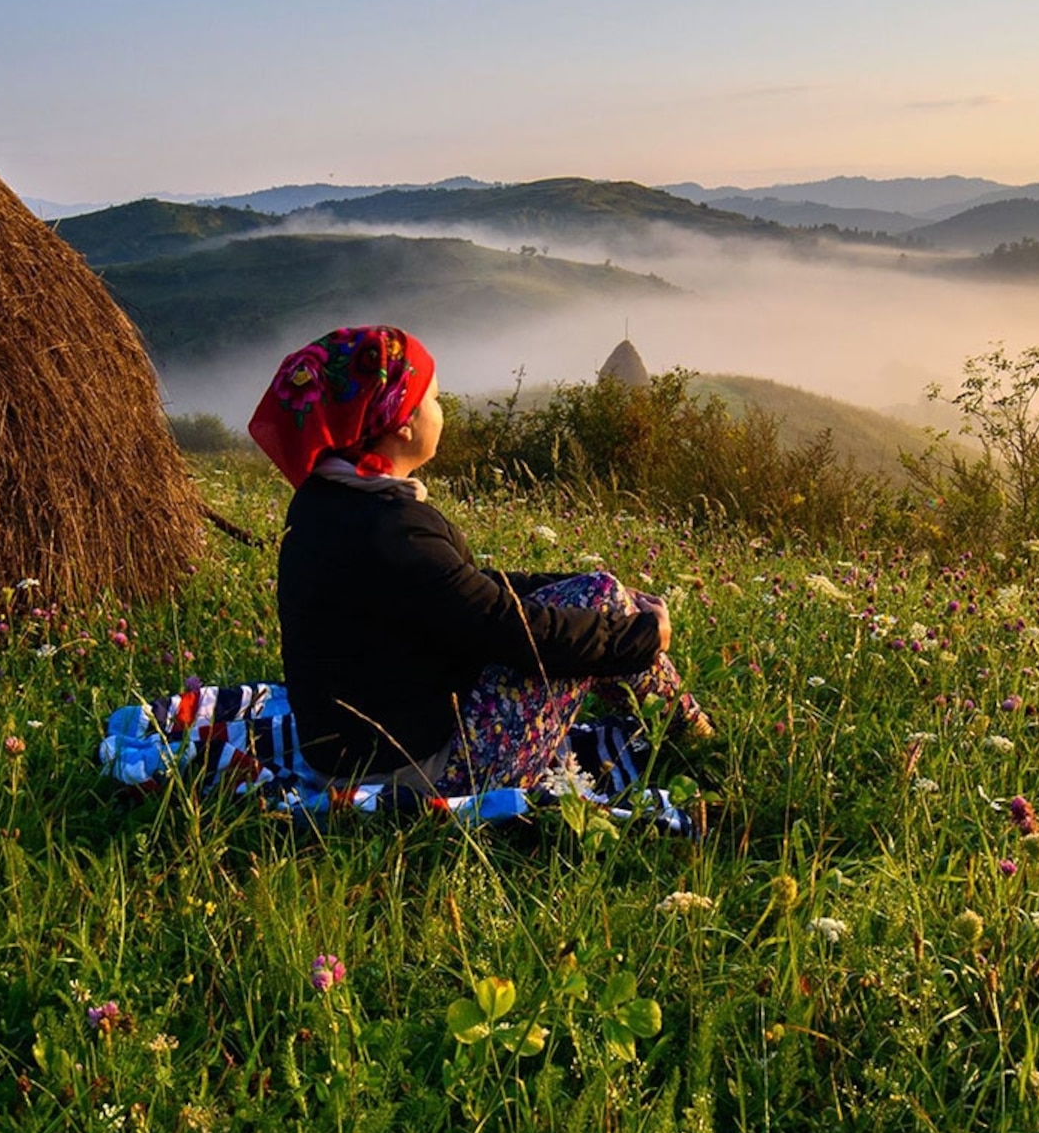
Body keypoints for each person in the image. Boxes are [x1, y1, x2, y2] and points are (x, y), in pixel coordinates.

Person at [250, 324, 707, 792]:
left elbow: (466, 589)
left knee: (601, 592)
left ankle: (674, 726)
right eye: (433, 399)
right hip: (414, 769)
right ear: (401, 423)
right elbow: (508, 631)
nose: (440, 412)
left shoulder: (327, 505)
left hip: (353, 754)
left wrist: (592, 589)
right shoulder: (392, 529)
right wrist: (640, 636)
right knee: (603, 604)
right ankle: (695, 739)